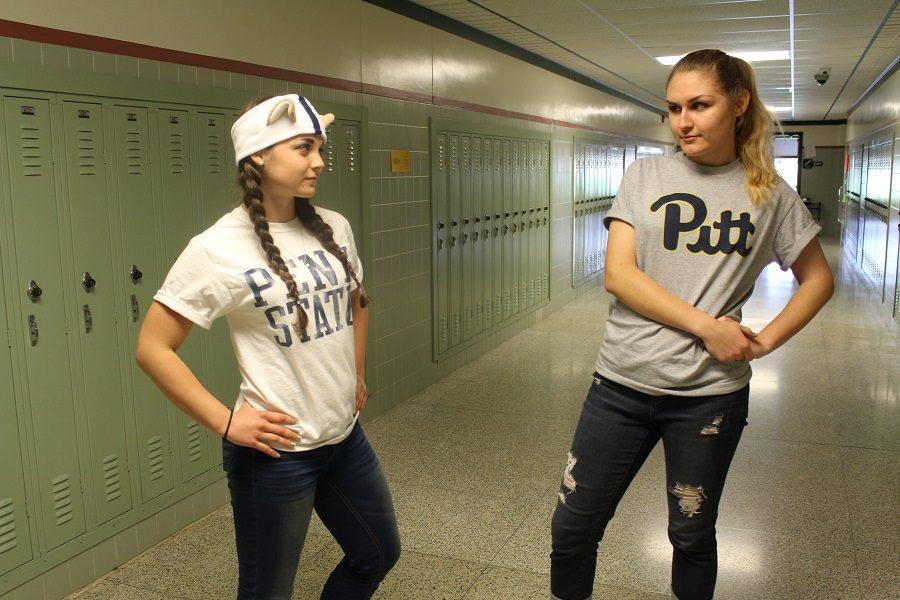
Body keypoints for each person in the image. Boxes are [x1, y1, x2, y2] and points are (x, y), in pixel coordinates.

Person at [549, 49, 835, 600]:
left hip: (709, 398)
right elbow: (619, 275)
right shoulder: (646, 174)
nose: (683, 121)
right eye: (674, 108)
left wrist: (764, 341)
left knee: (691, 532)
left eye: (699, 105)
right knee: (573, 527)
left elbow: (818, 279)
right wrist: (708, 326)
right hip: (621, 385)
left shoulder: (770, 194)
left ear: (739, 104)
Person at [136, 94, 400, 599]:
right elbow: (153, 347)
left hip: (343, 438)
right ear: (258, 156)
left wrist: (355, 375)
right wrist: (227, 422)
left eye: (319, 148)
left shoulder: (334, 227)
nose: (319, 161)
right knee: (266, 592)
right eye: (304, 148)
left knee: (377, 553)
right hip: (275, 454)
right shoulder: (217, 248)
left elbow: (358, 301)